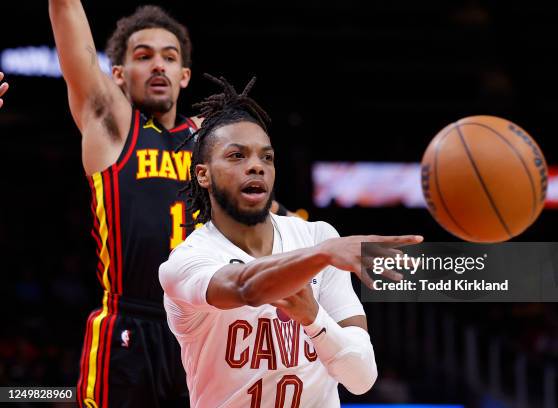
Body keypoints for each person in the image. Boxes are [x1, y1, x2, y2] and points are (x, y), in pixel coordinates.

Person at [49, 3, 288, 407]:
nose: (158, 66)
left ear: (185, 76)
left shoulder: (212, 142)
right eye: (143, 56)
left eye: (169, 57)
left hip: (208, 325)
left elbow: (263, 215)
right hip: (131, 326)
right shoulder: (112, 124)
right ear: (119, 75)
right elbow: (69, 21)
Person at [159, 74, 423, 407]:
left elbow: (361, 378)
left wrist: (314, 319)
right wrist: (321, 255)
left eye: (266, 157)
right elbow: (244, 288)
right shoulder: (186, 262)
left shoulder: (316, 237)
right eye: (237, 156)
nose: (256, 166)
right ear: (203, 174)